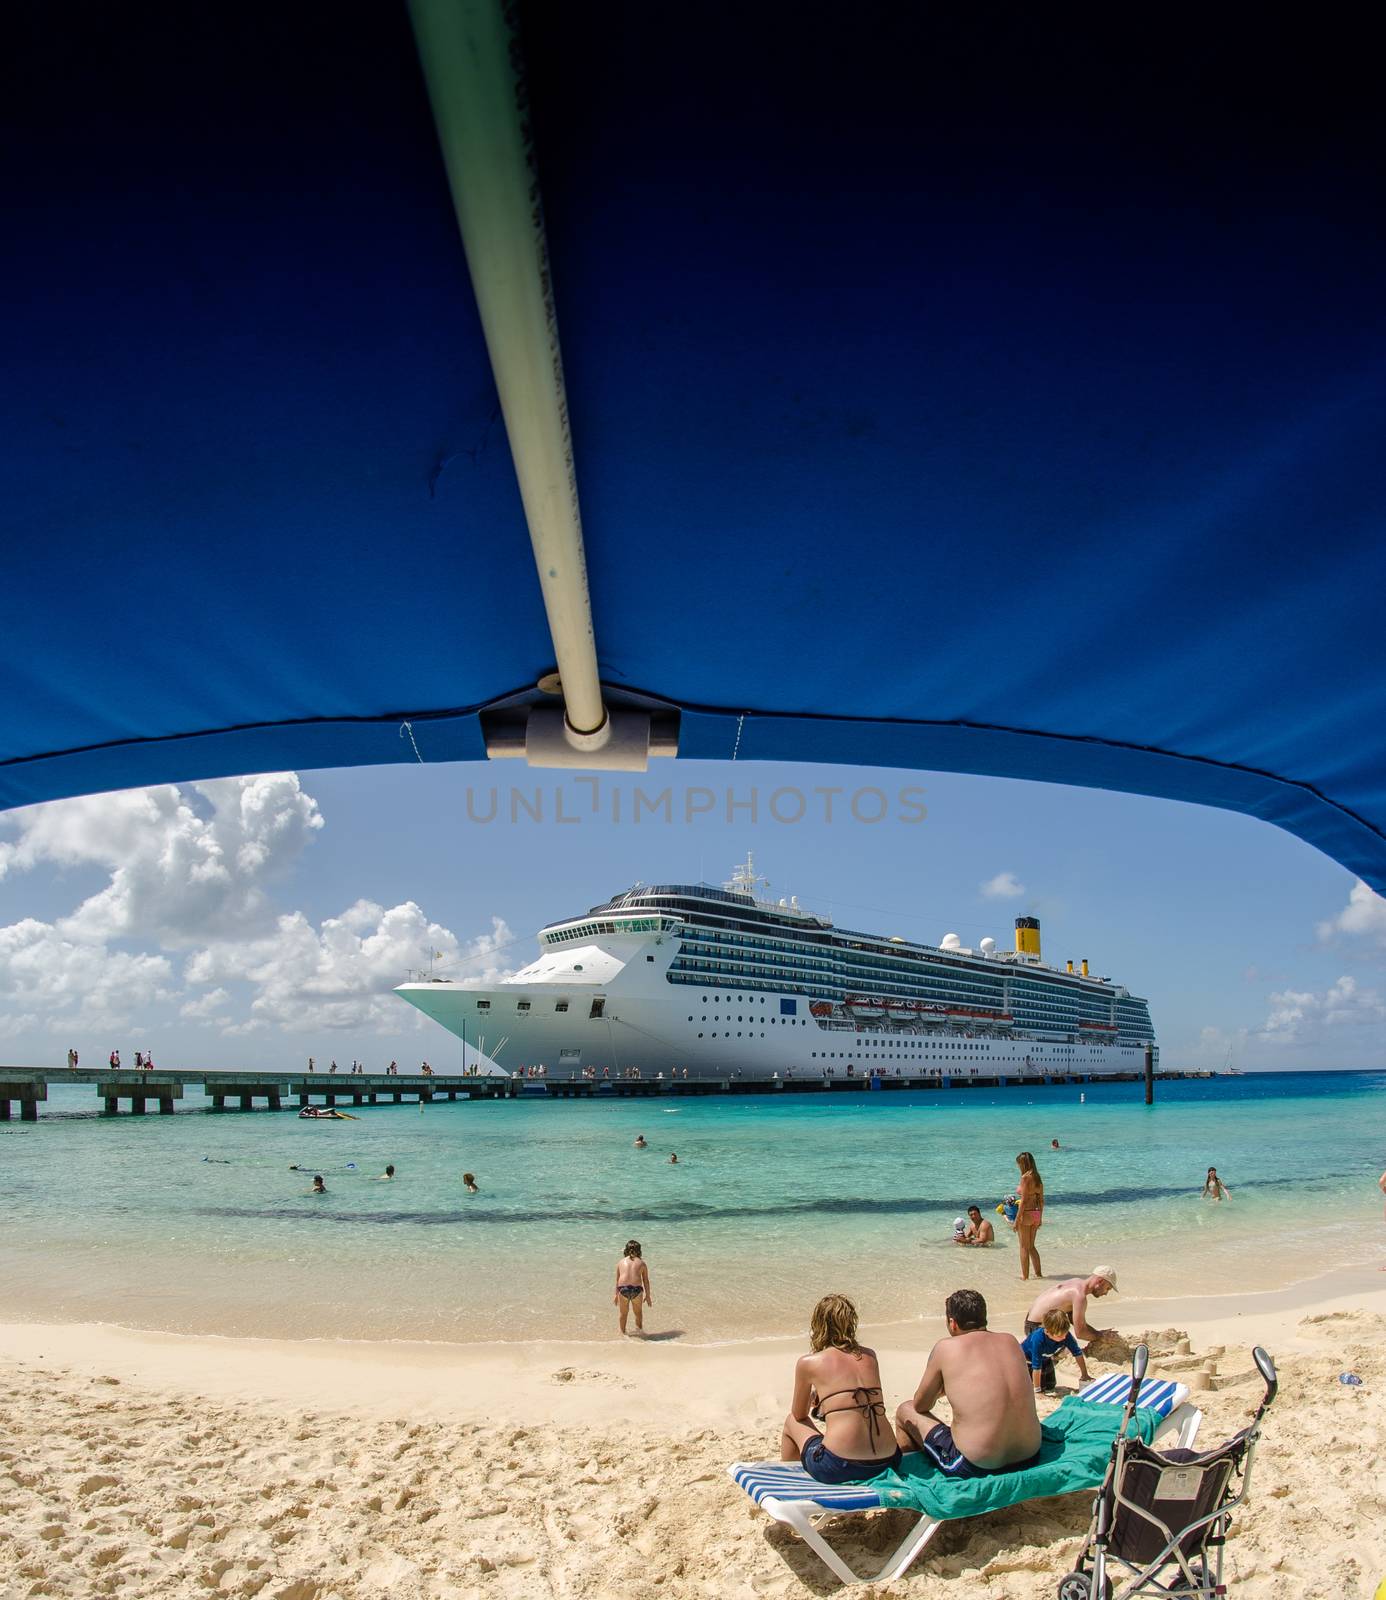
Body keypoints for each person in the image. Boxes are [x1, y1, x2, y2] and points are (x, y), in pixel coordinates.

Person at [893, 1289, 1040, 1476]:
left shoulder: (945, 1348)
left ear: (952, 1323)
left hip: (976, 1465)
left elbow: (921, 1405)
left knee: (905, 1410)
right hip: (1030, 1455)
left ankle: (912, 1478)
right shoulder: (1010, 1341)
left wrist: (943, 1388)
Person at [779, 1294, 902, 1483]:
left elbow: (799, 1415)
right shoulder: (870, 1356)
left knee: (791, 1422)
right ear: (851, 1323)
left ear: (819, 1325)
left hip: (841, 1466)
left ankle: (790, 1486)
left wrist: (819, 1399)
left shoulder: (808, 1363)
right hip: (889, 1460)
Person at [1024, 1268, 1118, 1345]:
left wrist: (1098, 1333)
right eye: (1108, 1288)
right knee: (1072, 1352)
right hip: (1038, 1330)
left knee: (1069, 1341)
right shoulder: (1079, 1296)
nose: (1106, 1293)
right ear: (1100, 1281)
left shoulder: (1076, 1282)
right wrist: (1101, 1336)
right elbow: (1080, 1333)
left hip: (1030, 1324)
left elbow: (1074, 1321)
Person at [1020, 1307, 1092, 1393]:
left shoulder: (1064, 1335)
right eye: (1059, 1336)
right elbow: (1036, 1367)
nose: (1064, 1337)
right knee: (1039, 1388)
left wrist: (1085, 1375)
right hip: (1026, 1362)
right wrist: (1038, 1391)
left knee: (1051, 1385)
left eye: (1065, 1334)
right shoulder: (1038, 1339)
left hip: (1046, 1358)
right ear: (1047, 1332)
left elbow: (1078, 1353)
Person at [1013, 1152, 1044, 1280]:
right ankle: (1039, 1274)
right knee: (1031, 1246)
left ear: (1023, 1164)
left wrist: (1016, 1219)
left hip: (1026, 1214)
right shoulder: (1037, 1177)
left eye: (1019, 1164)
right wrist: (1040, 1217)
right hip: (1036, 1213)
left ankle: (1025, 1277)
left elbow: (1024, 1201)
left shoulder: (1026, 1178)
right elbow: (1041, 1200)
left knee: (1024, 1247)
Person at [614, 1239, 654, 1335]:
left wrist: (615, 1294)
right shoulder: (642, 1263)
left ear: (626, 1250)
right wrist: (648, 1296)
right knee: (638, 1313)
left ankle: (623, 1334)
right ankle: (640, 1333)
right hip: (637, 1290)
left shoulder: (620, 1262)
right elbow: (646, 1281)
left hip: (623, 1290)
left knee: (623, 1314)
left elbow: (617, 1280)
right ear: (639, 1251)